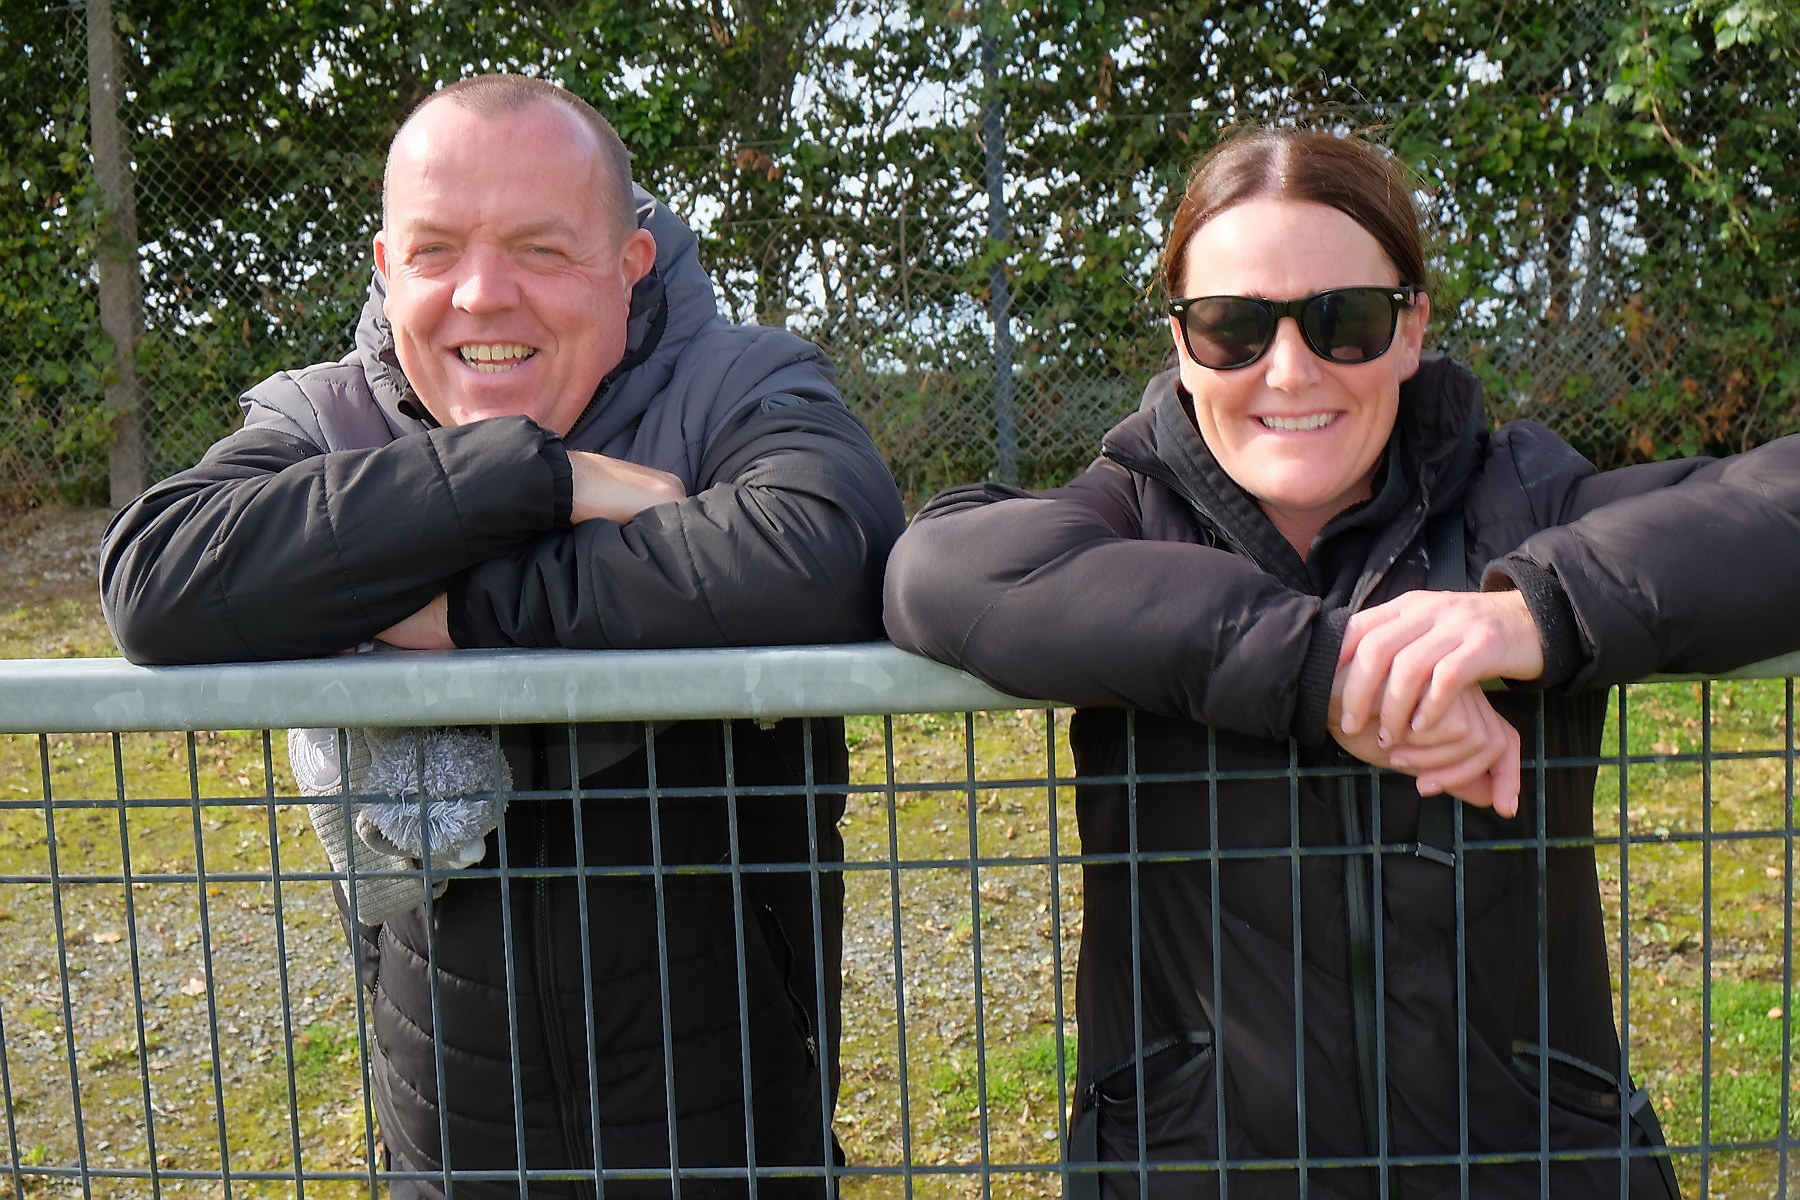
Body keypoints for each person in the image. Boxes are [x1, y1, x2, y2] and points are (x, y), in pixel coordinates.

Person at [883, 124, 1800, 1199]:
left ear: (1411, 330)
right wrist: (1323, 668)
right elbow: (937, 567)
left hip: (1533, 1170)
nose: (1289, 370)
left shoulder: (1515, 501)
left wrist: (1534, 611)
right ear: (1182, 343)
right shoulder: (1130, 514)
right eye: (1232, 327)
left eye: (1345, 321)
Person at [101, 74, 905, 1198]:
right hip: (446, 1142)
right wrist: (535, 477)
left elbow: (826, 548)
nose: (483, 295)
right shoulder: (326, 414)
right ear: (388, 268)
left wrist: (462, 610)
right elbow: (158, 577)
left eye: (540, 249)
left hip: (736, 1133)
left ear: (629, 266)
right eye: (435, 253)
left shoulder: (739, 380)